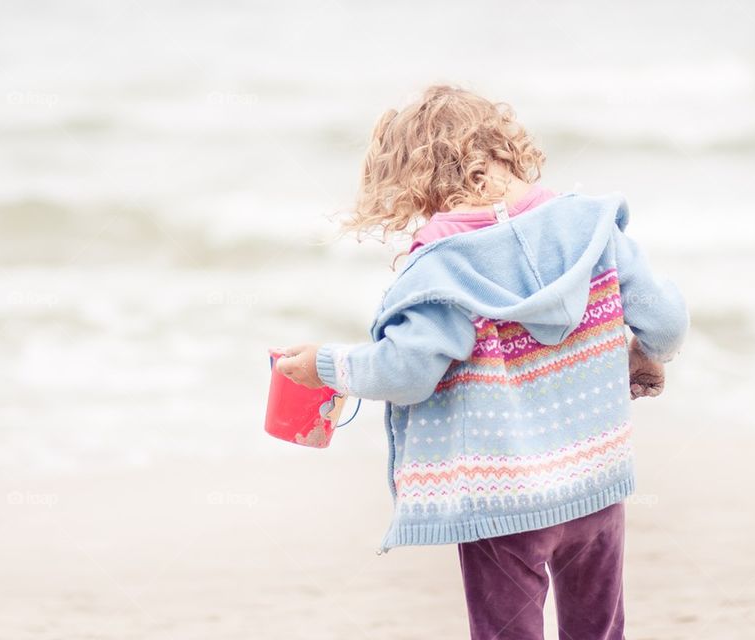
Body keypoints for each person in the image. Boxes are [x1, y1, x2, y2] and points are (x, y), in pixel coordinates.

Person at [275, 85, 689, 640]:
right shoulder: (592, 230)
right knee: (597, 630)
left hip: (504, 503)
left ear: (416, 183)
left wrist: (328, 367)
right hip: (595, 483)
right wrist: (645, 354)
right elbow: (663, 320)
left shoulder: (442, 272)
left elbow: (407, 372)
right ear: (506, 148)